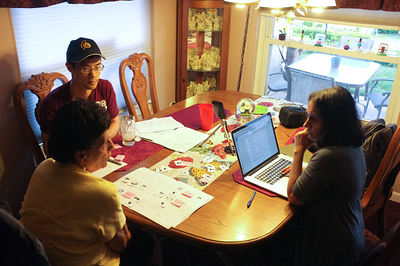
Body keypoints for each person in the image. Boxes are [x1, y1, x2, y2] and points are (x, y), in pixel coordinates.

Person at [20, 99, 153, 266]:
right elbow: (121, 244)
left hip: (36, 258)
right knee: (145, 241)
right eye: (104, 143)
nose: (111, 145)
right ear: (81, 156)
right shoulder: (103, 192)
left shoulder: (42, 169)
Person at [286, 86, 366, 265]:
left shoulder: (329, 157)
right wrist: (307, 172)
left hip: (331, 248)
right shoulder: (352, 143)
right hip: (352, 230)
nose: (306, 124)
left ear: (333, 123)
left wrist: (298, 151)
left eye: (313, 119)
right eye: (307, 116)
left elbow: (293, 196)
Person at [39, 37, 120, 156]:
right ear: (69, 67)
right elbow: (49, 147)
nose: (93, 75)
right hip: (72, 161)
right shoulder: (52, 104)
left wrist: (99, 142)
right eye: (85, 68)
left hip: (101, 155)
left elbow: (115, 122)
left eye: (97, 67)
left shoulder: (105, 87)